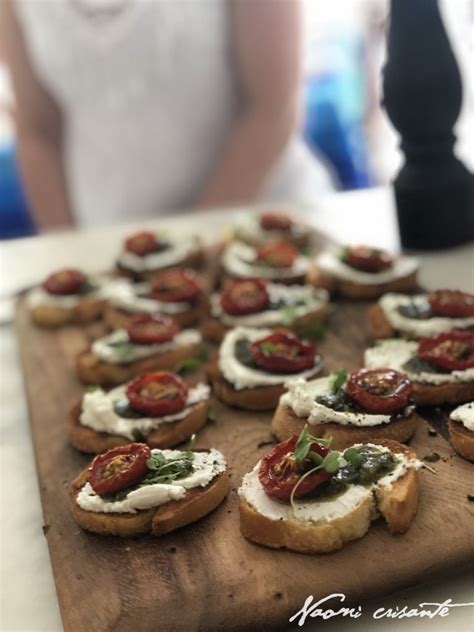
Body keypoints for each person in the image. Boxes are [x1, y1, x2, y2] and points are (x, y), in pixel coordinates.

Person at [1, 0, 334, 230]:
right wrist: (73, 255)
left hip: (260, 230)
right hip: (107, 245)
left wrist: (186, 254)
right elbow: (37, 130)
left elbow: (272, 108)